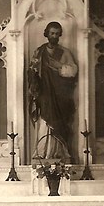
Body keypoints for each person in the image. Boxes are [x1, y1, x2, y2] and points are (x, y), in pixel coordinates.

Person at [27, 21, 78, 160]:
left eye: (57, 34)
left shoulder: (65, 52)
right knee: (44, 123)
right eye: (52, 33)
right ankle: (42, 152)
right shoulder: (39, 52)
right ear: (47, 34)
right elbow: (32, 71)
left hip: (60, 95)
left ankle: (59, 152)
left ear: (60, 35)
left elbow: (73, 71)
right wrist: (34, 81)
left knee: (59, 124)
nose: (54, 36)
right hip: (44, 94)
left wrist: (59, 66)